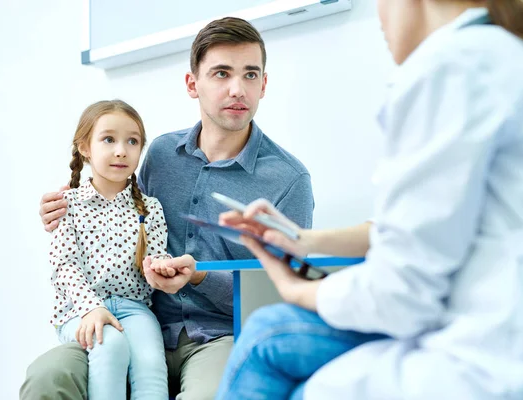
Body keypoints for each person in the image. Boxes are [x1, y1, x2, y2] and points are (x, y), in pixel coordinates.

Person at [215, 1, 523, 399]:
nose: (379, 15)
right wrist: (301, 238)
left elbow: (400, 295)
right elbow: (418, 226)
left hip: (487, 358)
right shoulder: (505, 57)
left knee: (267, 339)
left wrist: (298, 291)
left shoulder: (450, 67)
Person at [21, 17, 314, 400]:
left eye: (250, 74)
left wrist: (199, 279)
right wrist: (66, 208)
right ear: (193, 84)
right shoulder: (159, 154)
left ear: (264, 84)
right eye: (221, 73)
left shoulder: (289, 179)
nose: (237, 89)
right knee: (47, 377)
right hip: (132, 322)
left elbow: (286, 292)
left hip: (219, 337)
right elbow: (121, 212)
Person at [50, 99, 171, 400]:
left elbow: (156, 255)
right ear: (84, 147)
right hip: (79, 310)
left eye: (132, 141)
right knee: (110, 345)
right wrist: (92, 308)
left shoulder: (150, 208)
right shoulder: (68, 206)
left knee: (151, 364)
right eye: (108, 139)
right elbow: (64, 266)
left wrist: (163, 267)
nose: (121, 150)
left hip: (135, 309)